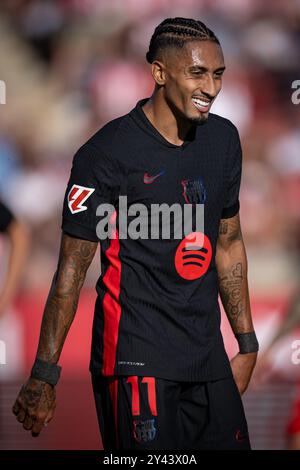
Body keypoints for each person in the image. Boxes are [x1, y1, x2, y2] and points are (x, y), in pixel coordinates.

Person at [12, 17, 259, 450]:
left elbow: (228, 241)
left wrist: (246, 342)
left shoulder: (224, 140)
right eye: (197, 73)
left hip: (207, 359)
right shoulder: (105, 154)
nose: (212, 88)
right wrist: (44, 374)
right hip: (134, 358)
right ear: (159, 73)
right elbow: (71, 270)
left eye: (218, 74)